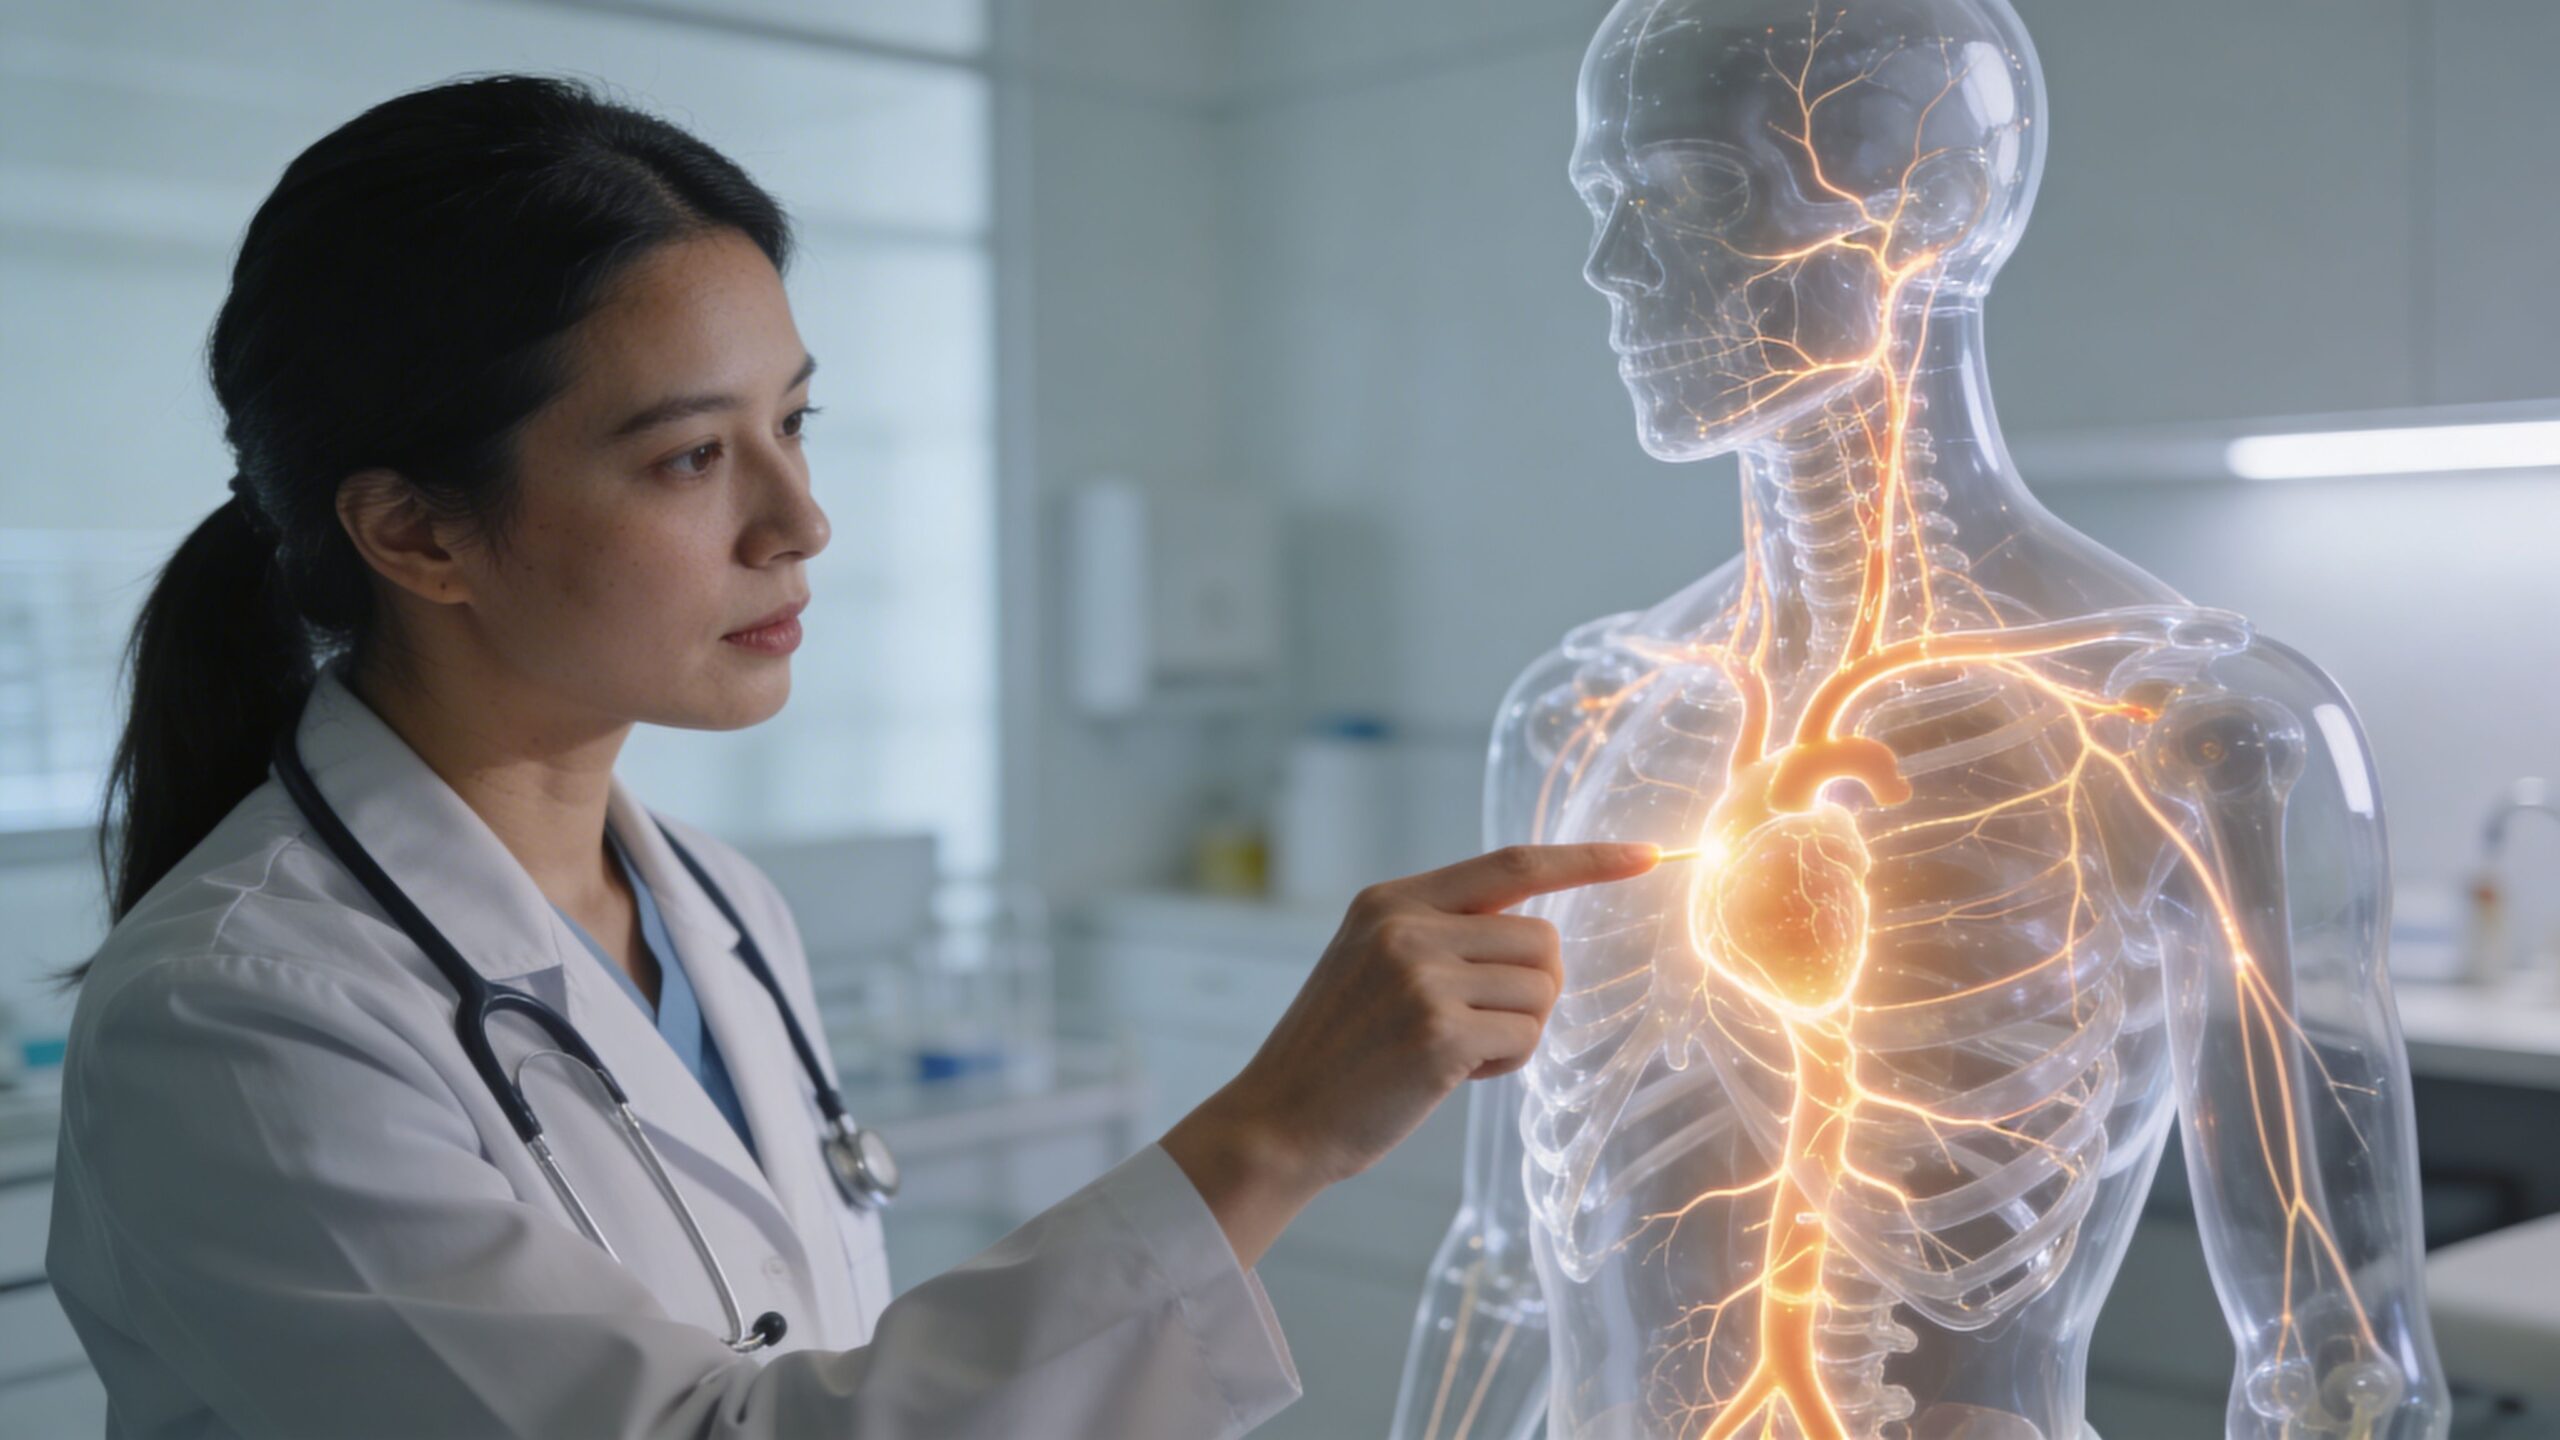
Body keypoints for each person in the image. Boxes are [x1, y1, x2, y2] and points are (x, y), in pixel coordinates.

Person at [43, 73, 1659, 1440]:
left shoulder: (721, 910)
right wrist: (1276, 1133)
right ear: (416, 530)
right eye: (690, 455)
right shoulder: (240, 1021)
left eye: (793, 424)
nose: (800, 522)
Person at [1390, 2, 2449, 1437]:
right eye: (1606, 201)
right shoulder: (1584, 709)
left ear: (1934, 206)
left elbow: (2328, 1352)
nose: (1613, 268)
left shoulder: (2194, 729)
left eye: (1694, 192)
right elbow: (1503, 1268)